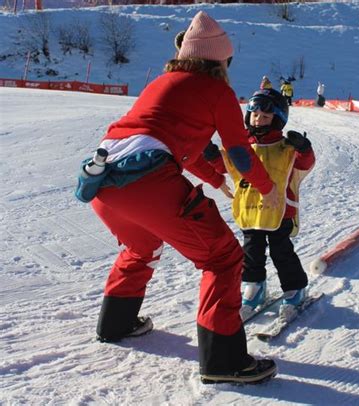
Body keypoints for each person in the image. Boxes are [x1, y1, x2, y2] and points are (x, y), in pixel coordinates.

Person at [75, 11, 279, 385]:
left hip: (102, 181)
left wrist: (215, 179)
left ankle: (116, 323)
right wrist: (269, 190)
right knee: (223, 257)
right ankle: (224, 361)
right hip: (148, 182)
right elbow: (239, 152)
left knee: (142, 245)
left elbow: (185, 147)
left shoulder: (163, 82)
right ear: (221, 60)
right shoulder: (218, 90)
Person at [203, 88, 315, 318]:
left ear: (278, 119)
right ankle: (255, 287)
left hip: (279, 212)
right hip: (251, 212)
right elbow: (227, 166)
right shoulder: (241, 145)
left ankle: (295, 290)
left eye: (266, 116)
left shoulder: (285, 148)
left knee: (281, 253)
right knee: (251, 254)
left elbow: (304, 164)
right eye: (255, 114)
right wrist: (212, 155)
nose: (259, 119)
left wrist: (304, 147)